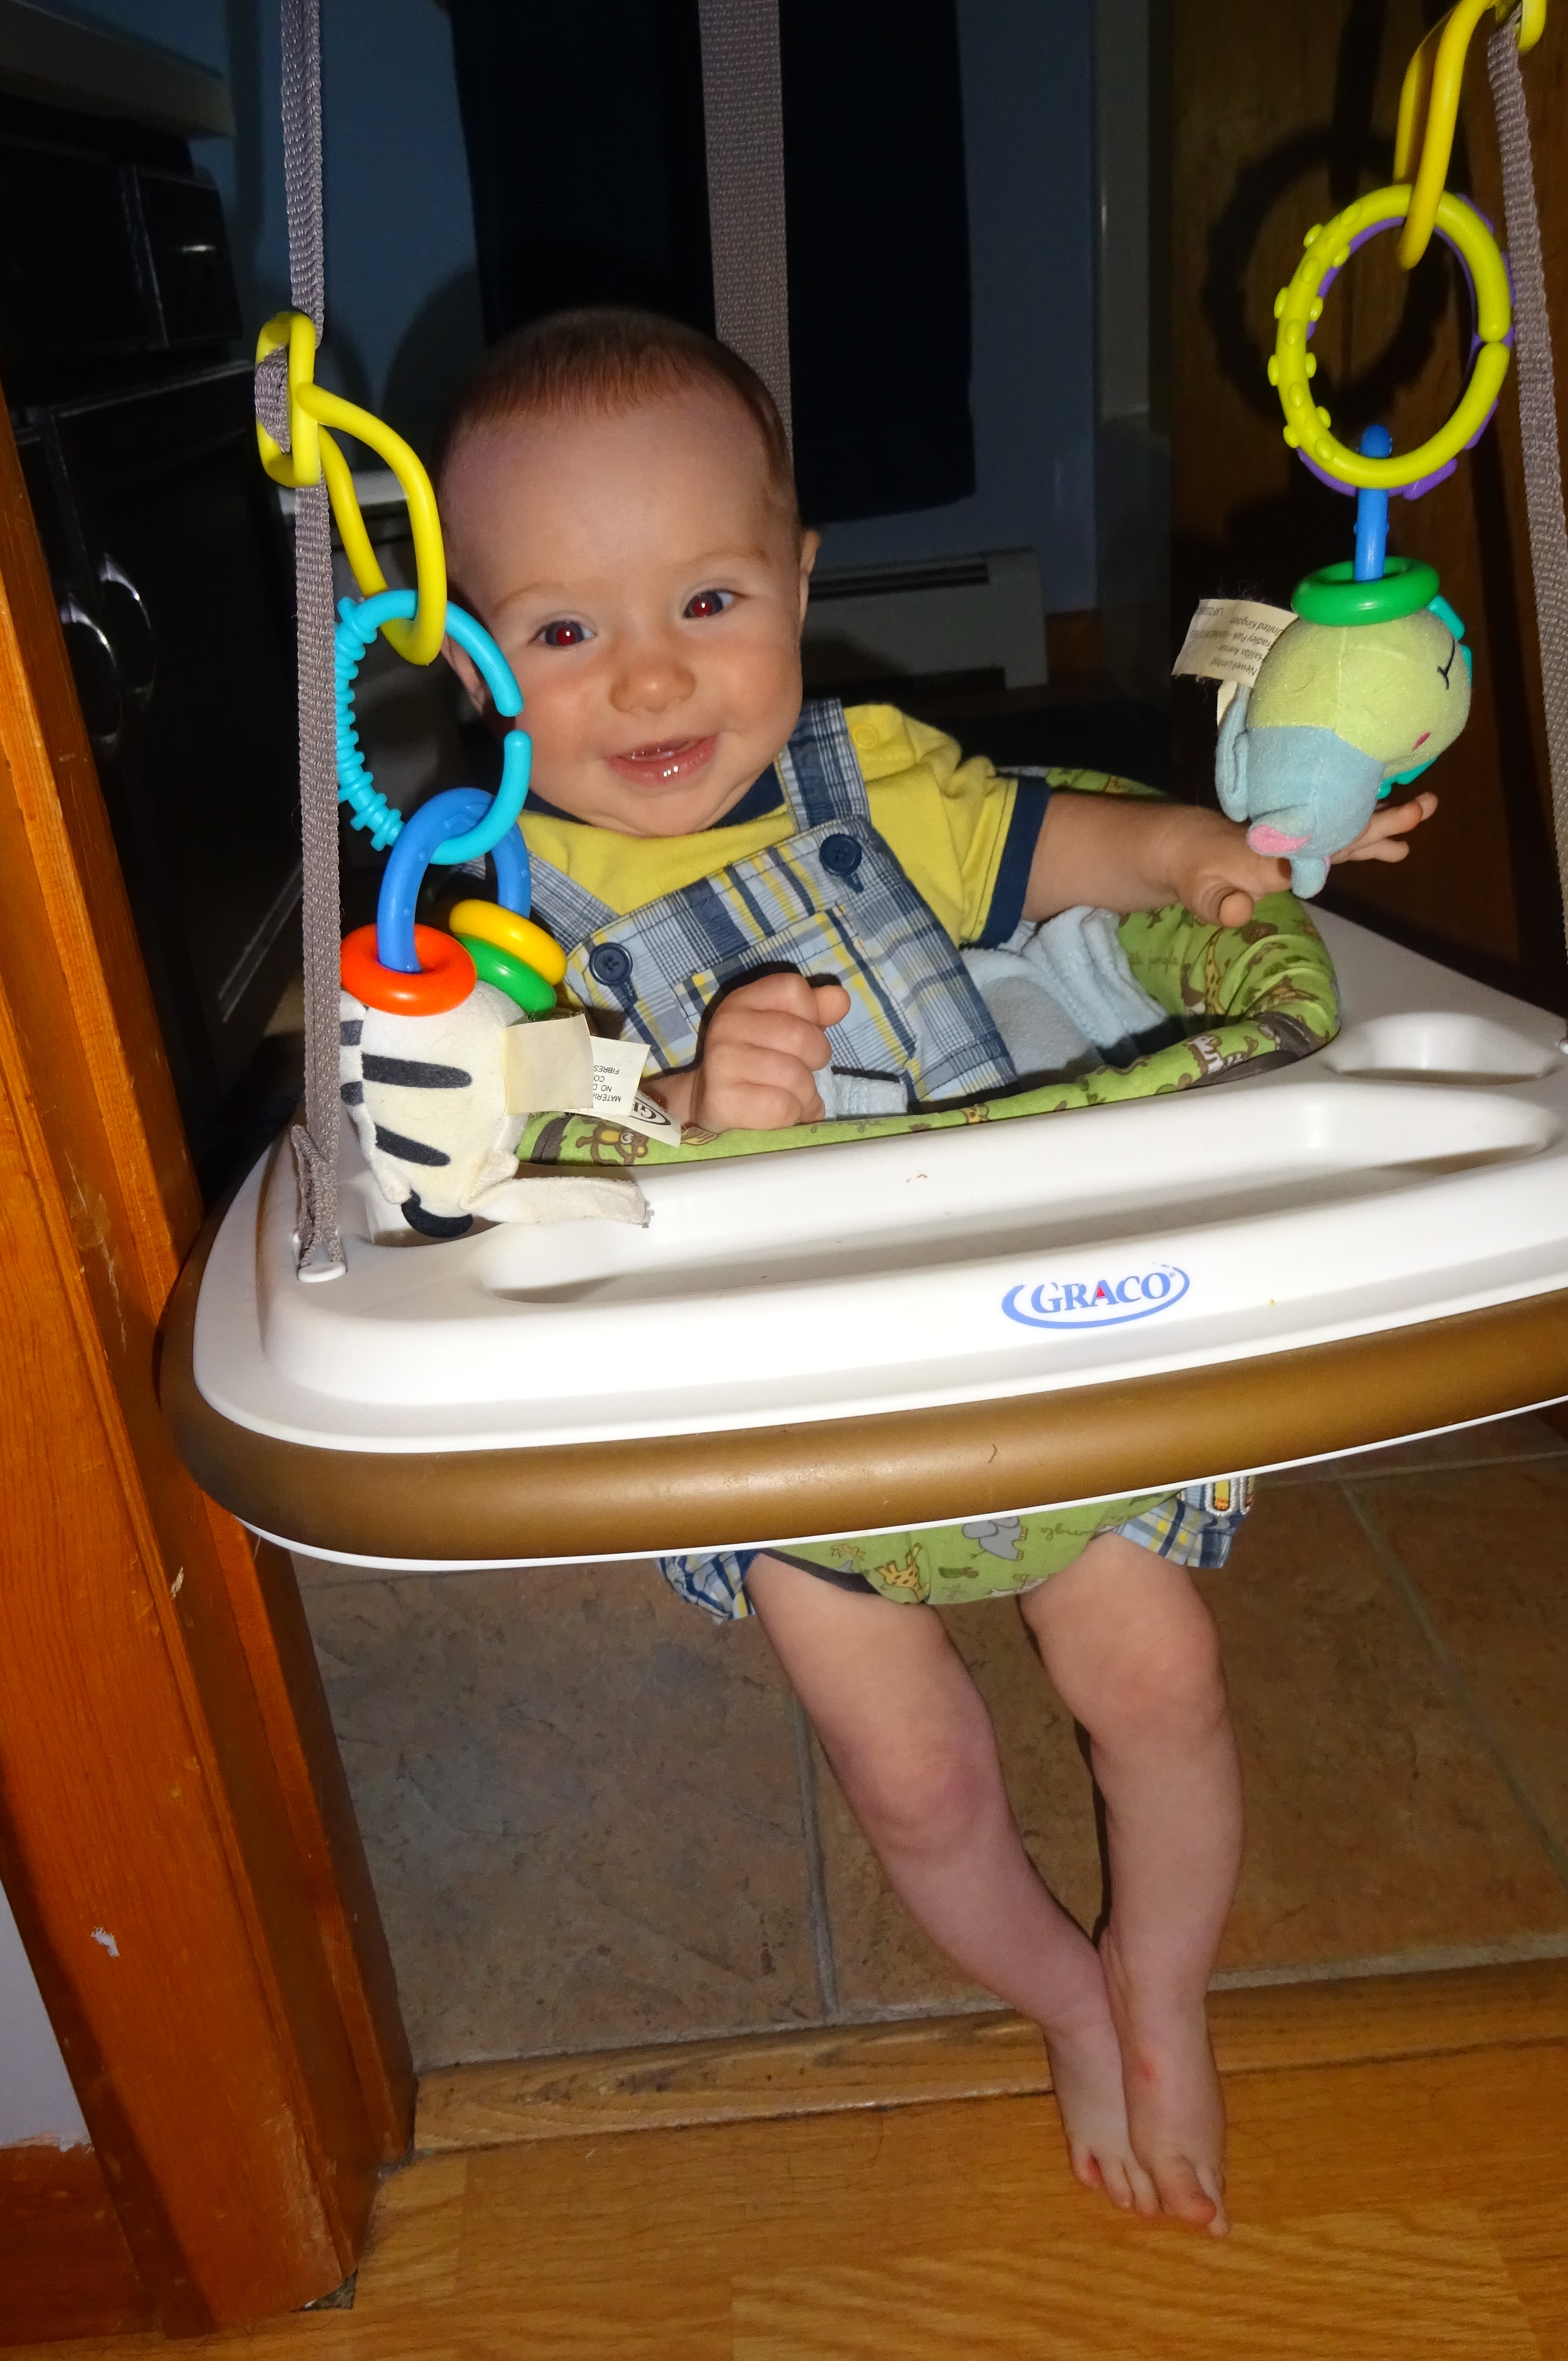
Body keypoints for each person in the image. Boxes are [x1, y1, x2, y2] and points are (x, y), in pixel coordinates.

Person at [437, 308, 1435, 2235]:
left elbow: (1072, 849)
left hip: (1033, 1340)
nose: (650, 674)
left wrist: (1203, 855)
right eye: (562, 630)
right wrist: (672, 1101)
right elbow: (505, 1158)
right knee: (915, 1782)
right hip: (795, 1429)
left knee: (1161, 1681)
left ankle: (1160, 1983)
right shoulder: (504, 924)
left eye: (708, 599)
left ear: (801, 582)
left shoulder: (870, 776)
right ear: (475, 659)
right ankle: (1061, 1994)